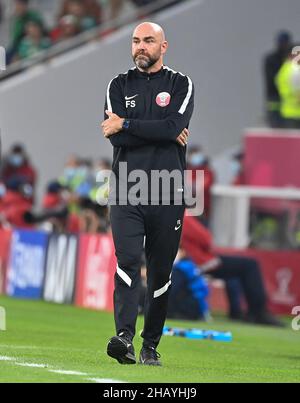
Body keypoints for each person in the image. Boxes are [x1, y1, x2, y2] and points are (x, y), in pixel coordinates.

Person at [101, 22, 194, 366]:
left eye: (148, 41)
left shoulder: (180, 84)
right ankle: (124, 338)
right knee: (126, 261)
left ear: (163, 46)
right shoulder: (118, 84)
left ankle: (150, 345)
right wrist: (162, 132)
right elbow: (116, 138)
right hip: (126, 187)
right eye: (136, 41)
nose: (141, 46)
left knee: (160, 273)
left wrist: (126, 123)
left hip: (167, 191)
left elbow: (170, 126)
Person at [181, 214, 284, 326]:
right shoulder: (184, 218)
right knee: (250, 265)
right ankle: (258, 312)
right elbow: (206, 239)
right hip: (200, 262)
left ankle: (237, 312)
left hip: (190, 261)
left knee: (234, 273)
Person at [263, 31, 293, 128]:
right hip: (275, 99)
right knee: (277, 128)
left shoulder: (290, 60)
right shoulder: (271, 59)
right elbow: (274, 80)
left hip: (289, 103)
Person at [276, 44, 300, 129]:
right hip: (293, 113)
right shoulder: (291, 69)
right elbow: (288, 90)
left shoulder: (287, 68)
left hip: (290, 112)